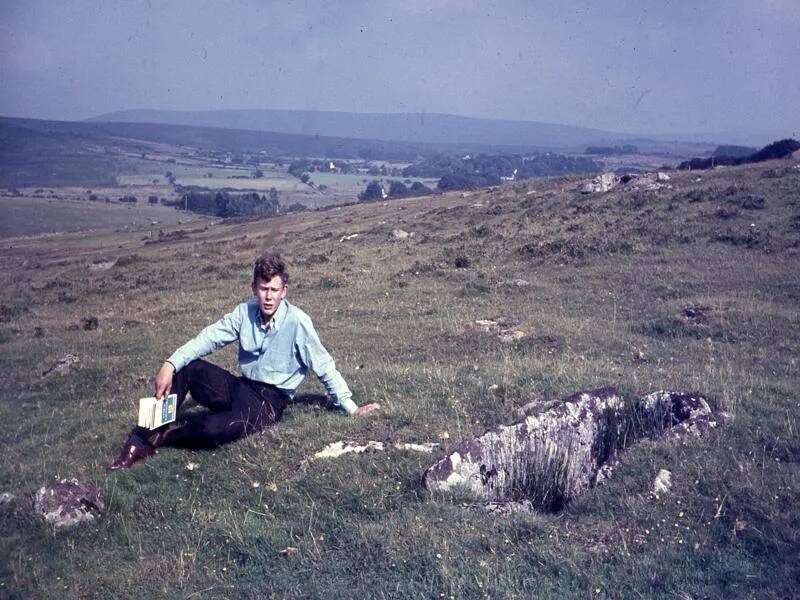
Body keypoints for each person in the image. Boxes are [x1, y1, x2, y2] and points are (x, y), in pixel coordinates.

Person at [110, 251, 379, 470]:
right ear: (254, 288)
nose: (269, 296)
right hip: (240, 386)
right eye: (264, 289)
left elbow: (324, 366)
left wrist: (351, 407)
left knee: (215, 430)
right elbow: (208, 338)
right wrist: (170, 364)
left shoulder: (299, 322)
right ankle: (141, 437)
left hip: (270, 401)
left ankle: (164, 436)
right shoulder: (244, 312)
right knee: (187, 367)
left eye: (275, 289)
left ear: (284, 291)